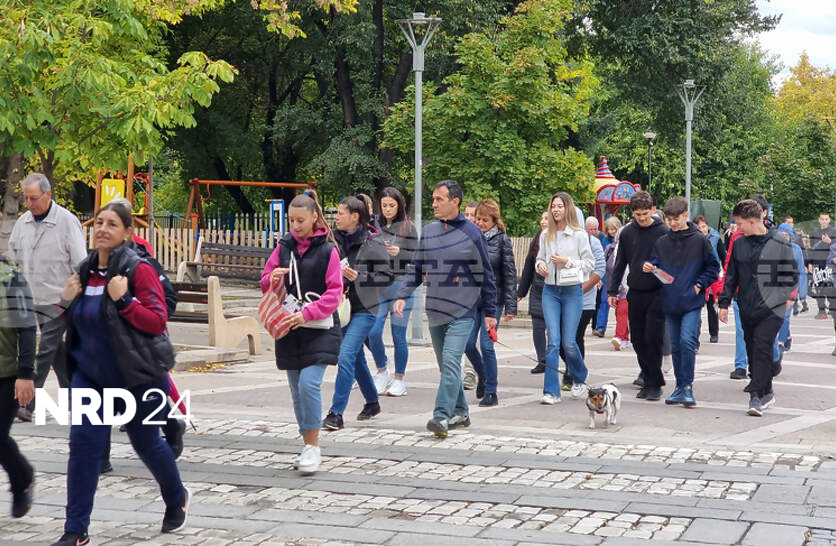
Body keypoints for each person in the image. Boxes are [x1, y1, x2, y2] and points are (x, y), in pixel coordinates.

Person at [51, 200, 188, 546]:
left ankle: (176, 497)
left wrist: (125, 301)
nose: (102, 229)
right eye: (99, 222)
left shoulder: (137, 270)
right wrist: (65, 302)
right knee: (83, 446)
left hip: (138, 375)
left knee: (147, 443)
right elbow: (74, 322)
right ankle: (76, 529)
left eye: (112, 224)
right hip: (90, 376)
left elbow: (157, 320)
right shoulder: (84, 271)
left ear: (127, 232)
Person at [393, 180, 496, 437]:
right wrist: (403, 295)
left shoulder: (473, 233)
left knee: (451, 362)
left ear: (455, 201)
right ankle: (461, 412)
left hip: (464, 311)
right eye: (433, 199)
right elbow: (416, 268)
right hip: (436, 310)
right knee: (445, 367)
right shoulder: (429, 231)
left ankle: (441, 416)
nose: (434, 204)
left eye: (439, 199)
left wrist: (490, 313)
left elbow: (486, 275)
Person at [261, 192, 342, 474]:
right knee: (297, 389)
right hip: (289, 327)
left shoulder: (328, 251)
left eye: (300, 220)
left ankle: (313, 446)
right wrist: (270, 279)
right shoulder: (283, 247)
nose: (295, 226)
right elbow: (265, 279)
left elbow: (335, 292)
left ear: (314, 218)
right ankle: (307, 442)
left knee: (309, 384)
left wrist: (308, 312)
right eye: (291, 220)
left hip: (320, 327)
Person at [9, 172, 87, 422]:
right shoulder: (23, 223)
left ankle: (27, 404)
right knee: (56, 352)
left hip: (61, 298)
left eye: (33, 198)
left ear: (48, 194)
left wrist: (76, 291)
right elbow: (14, 256)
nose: (29, 203)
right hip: (34, 297)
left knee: (44, 350)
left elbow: (80, 262)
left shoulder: (66, 221)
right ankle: (76, 397)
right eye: (26, 198)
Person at [719, 199, 798, 416]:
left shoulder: (779, 242)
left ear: (753, 221)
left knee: (762, 345)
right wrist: (724, 303)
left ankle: (756, 396)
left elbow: (790, 273)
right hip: (747, 305)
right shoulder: (739, 244)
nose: (737, 228)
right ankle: (767, 391)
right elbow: (731, 276)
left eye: (740, 223)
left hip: (772, 307)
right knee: (753, 348)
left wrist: (786, 297)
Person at [322, 196, 393, 430]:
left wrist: (359, 277)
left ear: (355, 217)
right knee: (357, 357)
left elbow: (386, 277)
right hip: (342, 307)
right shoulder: (332, 240)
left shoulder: (372, 241)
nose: (336, 217)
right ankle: (372, 402)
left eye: (340, 213)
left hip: (366, 308)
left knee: (345, 355)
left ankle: (336, 413)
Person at [645, 198, 719, 407]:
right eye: (668, 219)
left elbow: (713, 267)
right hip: (670, 301)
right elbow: (656, 264)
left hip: (691, 301)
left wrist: (699, 284)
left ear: (686, 215)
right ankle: (680, 386)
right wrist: (651, 267)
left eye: (676, 219)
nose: (672, 223)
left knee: (687, 341)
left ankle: (687, 386)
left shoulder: (699, 240)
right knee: (676, 345)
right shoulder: (662, 242)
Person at [607, 191, 669, 400]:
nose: (641, 218)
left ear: (652, 210)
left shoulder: (663, 231)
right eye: (637, 214)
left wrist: (657, 267)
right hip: (635, 291)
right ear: (632, 213)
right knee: (638, 340)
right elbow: (620, 262)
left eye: (645, 213)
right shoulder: (626, 233)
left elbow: (671, 263)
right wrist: (612, 290)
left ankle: (654, 383)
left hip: (658, 292)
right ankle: (649, 376)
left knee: (653, 337)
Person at [535, 192, 594, 404]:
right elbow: (540, 258)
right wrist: (540, 265)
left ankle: (580, 375)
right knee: (553, 341)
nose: (556, 210)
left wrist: (567, 261)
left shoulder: (579, 235)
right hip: (550, 291)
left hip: (571, 291)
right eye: (553, 206)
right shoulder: (545, 234)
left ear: (567, 208)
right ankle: (551, 391)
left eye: (559, 206)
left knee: (568, 342)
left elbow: (589, 264)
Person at [463, 199, 517, 407]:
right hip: (472, 299)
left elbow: (510, 274)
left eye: (485, 220)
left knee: (486, 345)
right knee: (468, 343)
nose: (480, 223)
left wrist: (511, 305)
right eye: (478, 219)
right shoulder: (470, 237)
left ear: (494, 220)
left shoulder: (502, 240)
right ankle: (483, 375)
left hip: (493, 300)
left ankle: (491, 391)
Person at [367, 188, 418, 397]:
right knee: (373, 331)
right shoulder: (375, 226)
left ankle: (399, 379)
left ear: (399, 206)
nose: (387, 209)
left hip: (401, 285)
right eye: (384, 205)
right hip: (379, 286)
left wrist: (400, 252)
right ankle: (382, 370)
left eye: (392, 205)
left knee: (398, 335)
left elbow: (418, 256)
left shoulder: (408, 227)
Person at [0, 254, 37, 519]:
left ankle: (22, 478)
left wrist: (25, 373)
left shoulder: (11, 279)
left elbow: (26, 328)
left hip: (8, 374)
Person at [560, 229, 605, 390]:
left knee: (575, 338)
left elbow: (599, 270)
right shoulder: (558, 237)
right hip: (561, 296)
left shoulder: (593, 242)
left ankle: (574, 374)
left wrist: (580, 290)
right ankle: (572, 365)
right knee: (558, 340)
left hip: (584, 300)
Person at [518, 211, 550, 374]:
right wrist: (521, 292)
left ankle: (555, 359)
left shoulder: (560, 238)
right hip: (537, 290)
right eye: (542, 219)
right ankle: (542, 360)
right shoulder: (537, 240)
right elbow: (528, 267)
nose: (543, 221)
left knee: (554, 330)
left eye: (546, 219)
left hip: (553, 290)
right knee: (538, 327)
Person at [694, 215, 726, 343]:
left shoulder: (716, 238)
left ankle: (714, 333)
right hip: (698, 276)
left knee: (712, 307)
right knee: (696, 310)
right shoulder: (693, 239)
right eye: (699, 227)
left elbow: (723, 257)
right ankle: (695, 337)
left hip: (712, 277)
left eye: (704, 226)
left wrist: (724, 274)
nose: (702, 229)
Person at [460, 201, 481, 390]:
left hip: (482, 298)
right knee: (467, 339)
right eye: (466, 214)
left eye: (472, 215)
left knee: (479, 342)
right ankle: (471, 372)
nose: (469, 218)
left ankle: (475, 372)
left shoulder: (484, 238)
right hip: (463, 296)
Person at [776, 223, 805, 353]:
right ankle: (786, 336)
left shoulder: (796, 249)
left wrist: (802, 293)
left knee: (785, 315)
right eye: (781, 234)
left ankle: (781, 342)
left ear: (790, 236)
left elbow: (801, 270)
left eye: (786, 235)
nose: (784, 237)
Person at [593, 217, 621, 337]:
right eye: (609, 229)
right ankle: (600, 327)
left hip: (620, 277)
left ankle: (621, 330)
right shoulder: (605, 241)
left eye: (614, 229)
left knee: (620, 304)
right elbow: (601, 259)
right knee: (604, 302)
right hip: (607, 276)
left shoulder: (623, 239)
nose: (612, 232)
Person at [809, 213, 836, 319]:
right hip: (817, 262)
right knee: (818, 287)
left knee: (830, 287)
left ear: (829, 220)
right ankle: (821, 310)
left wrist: (830, 242)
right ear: (819, 220)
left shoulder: (833, 231)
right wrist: (809, 263)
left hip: (829, 263)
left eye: (826, 219)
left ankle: (832, 308)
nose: (824, 221)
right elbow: (811, 248)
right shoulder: (815, 232)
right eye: (822, 219)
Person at [607, 226, 630, 351]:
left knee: (623, 311)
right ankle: (624, 338)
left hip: (628, 285)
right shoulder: (612, 248)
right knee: (619, 312)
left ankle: (619, 336)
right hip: (616, 284)